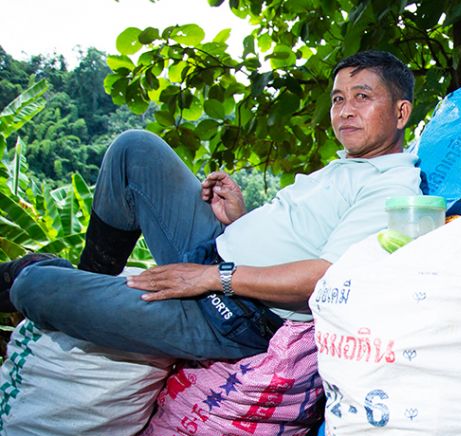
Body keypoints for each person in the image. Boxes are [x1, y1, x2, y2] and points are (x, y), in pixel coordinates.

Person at [0, 50, 421, 360]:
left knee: (34, 287)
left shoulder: (392, 189)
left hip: (232, 313)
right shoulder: (345, 167)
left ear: (401, 112)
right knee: (135, 148)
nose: (344, 111)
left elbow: (326, 277)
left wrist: (208, 277)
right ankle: (92, 277)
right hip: (213, 253)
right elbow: (300, 235)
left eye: (362, 97)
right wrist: (240, 219)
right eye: (337, 99)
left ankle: (43, 277)